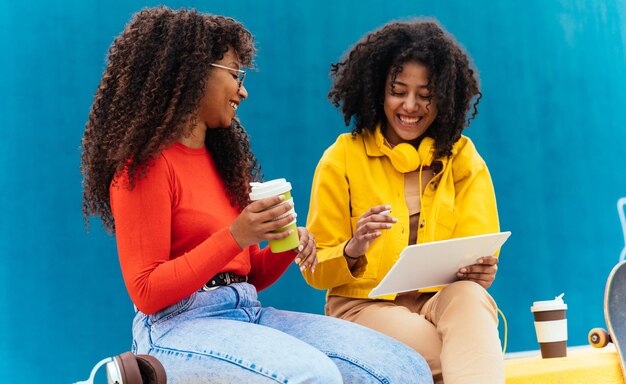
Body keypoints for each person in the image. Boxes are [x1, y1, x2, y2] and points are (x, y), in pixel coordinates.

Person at [80, 7, 433, 384]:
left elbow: (250, 274)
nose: (243, 90)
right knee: (313, 376)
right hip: (174, 328)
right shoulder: (143, 168)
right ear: (193, 71)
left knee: (403, 366)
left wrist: (287, 245)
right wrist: (237, 234)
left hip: (246, 311)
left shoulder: (224, 163)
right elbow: (147, 291)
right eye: (235, 73)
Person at [302, 19, 503, 384]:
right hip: (364, 307)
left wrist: (481, 271)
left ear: (444, 96)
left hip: (438, 305)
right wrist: (353, 248)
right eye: (398, 91)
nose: (411, 106)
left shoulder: (463, 158)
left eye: (425, 94)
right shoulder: (341, 158)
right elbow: (314, 270)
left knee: (471, 299)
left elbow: (478, 253)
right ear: (378, 91)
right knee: (464, 356)